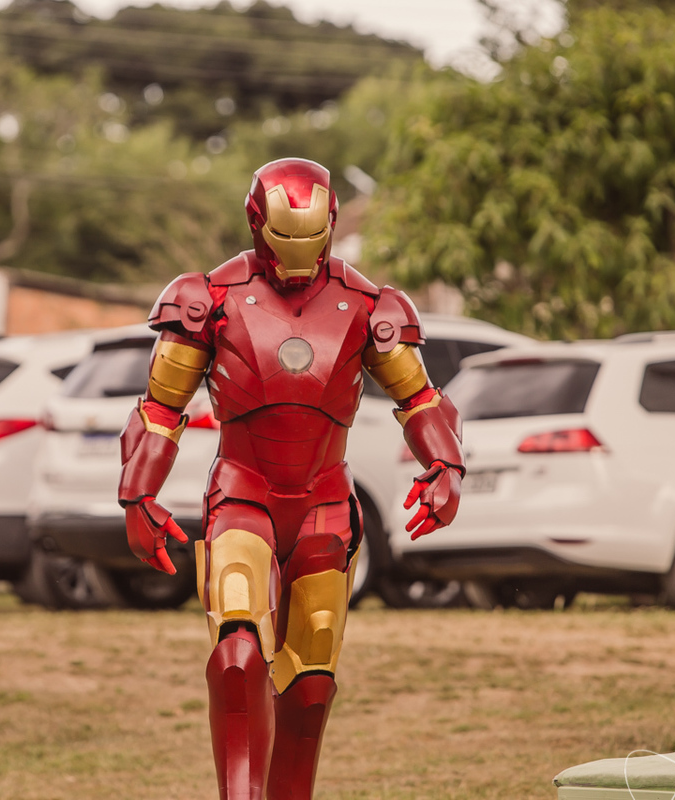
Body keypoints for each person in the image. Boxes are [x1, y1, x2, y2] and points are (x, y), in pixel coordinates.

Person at [118, 157, 465, 799]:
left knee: (310, 680)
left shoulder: (370, 305)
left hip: (325, 501)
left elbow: (420, 398)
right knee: (238, 652)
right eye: (284, 238)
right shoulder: (207, 299)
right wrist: (137, 493)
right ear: (257, 223)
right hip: (241, 495)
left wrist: (445, 464)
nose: (298, 258)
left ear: (330, 225)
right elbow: (160, 409)